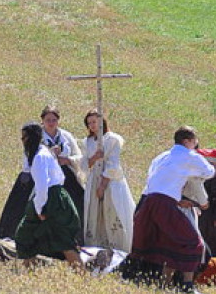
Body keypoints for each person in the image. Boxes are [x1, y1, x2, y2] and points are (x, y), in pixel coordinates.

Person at [129, 126, 215, 294]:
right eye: (194, 142)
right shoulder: (190, 156)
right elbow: (209, 172)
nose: (196, 145)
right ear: (187, 141)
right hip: (165, 203)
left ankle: (165, 282)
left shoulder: (162, 156)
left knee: (168, 242)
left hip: (147, 201)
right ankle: (187, 286)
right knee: (193, 242)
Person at [14, 123, 82, 268]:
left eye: (25, 137)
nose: (23, 140)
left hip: (50, 199)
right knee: (30, 234)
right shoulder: (43, 152)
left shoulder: (40, 157)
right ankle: (30, 268)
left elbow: (42, 186)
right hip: (56, 197)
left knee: (58, 237)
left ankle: (80, 273)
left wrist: (40, 210)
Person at [80, 109, 135, 251]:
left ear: (101, 121)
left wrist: (103, 185)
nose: (92, 125)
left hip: (111, 181)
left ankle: (118, 247)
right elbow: (84, 165)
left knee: (112, 211)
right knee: (94, 213)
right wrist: (95, 157)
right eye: (89, 123)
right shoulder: (88, 142)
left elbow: (113, 164)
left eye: (94, 121)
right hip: (94, 180)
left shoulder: (112, 140)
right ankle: (96, 246)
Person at [40, 105, 85, 238]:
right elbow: (30, 157)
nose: (51, 123)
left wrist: (68, 160)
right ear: (42, 120)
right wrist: (50, 155)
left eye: (54, 120)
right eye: (48, 120)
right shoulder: (37, 136)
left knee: (76, 202)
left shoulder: (66, 136)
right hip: (46, 175)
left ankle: (75, 234)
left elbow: (80, 156)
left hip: (66, 175)